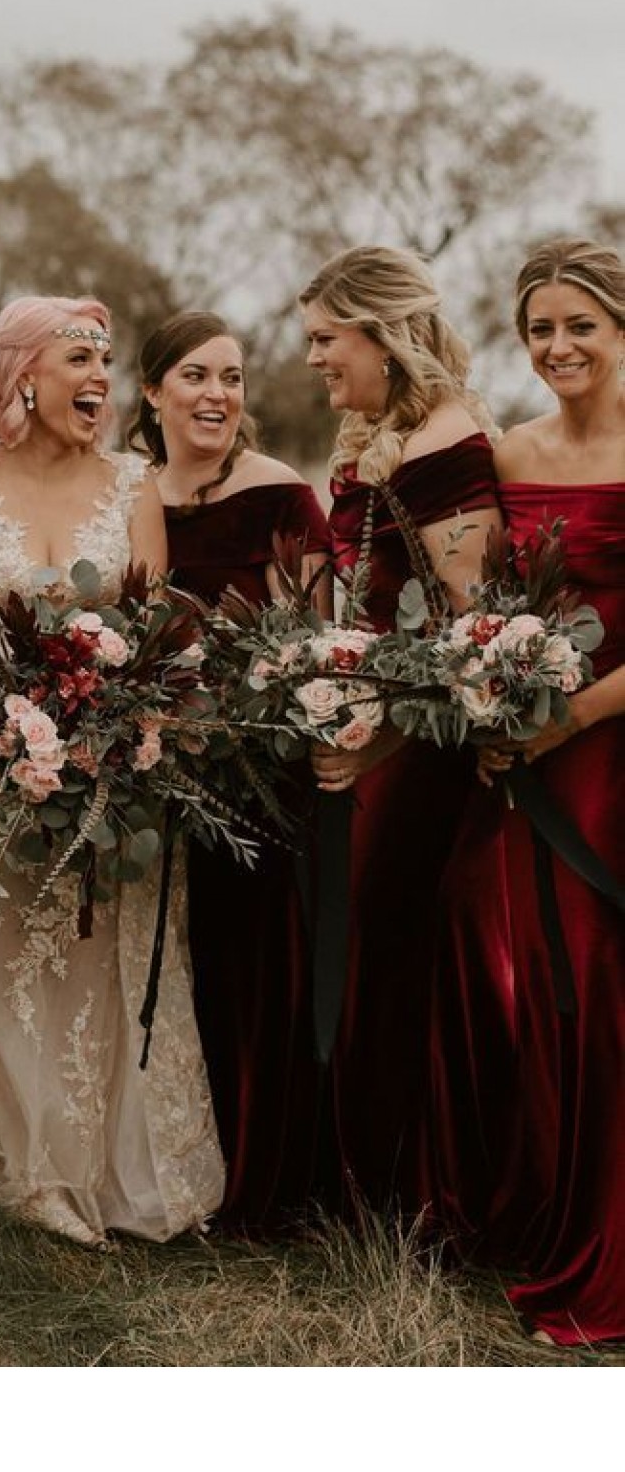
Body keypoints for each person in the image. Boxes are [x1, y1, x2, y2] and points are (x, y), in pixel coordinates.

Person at [0, 294, 224, 1246]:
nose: (98, 378)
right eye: (77, 359)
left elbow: (154, 626)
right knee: (1, 949)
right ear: (23, 377)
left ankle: (99, 1163)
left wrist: (106, 718)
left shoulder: (134, 483)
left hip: (105, 764)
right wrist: (14, 716)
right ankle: (20, 1163)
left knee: (95, 951)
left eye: (104, 360)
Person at [437, 238, 624, 1344]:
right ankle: (554, 1216)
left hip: (607, 747)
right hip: (533, 758)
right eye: (538, 330)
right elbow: (484, 600)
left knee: (606, 983)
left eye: (581, 326)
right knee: (536, 973)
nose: (557, 347)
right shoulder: (510, 452)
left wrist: (576, 715)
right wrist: (495, 704)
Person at [298, 245, 502, 1218]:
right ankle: (366, 1184)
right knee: (365, 943)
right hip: (379, 736)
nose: (312, 360)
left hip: (426, 757)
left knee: (391, 943)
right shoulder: (389, 429)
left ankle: (414, 1199)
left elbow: (477, 635)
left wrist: (375, 735)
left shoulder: (445, 447)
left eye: (325, 339)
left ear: (383, 334)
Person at [129, 310, 331, 1234]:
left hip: (264, 771)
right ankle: (177, 1162)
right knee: (176, 964)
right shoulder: (132, 497)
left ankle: (270, 1177)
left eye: (234, 378)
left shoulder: (281, 493)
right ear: (152, 391)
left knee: (255, 962)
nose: (219, 395)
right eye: (198, 377)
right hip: (157, 768)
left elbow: (318, 645)